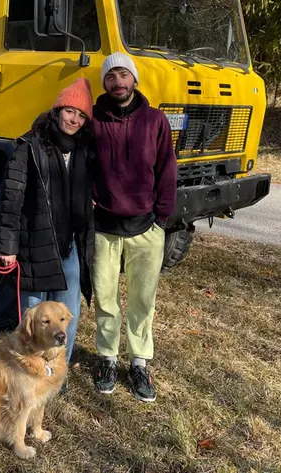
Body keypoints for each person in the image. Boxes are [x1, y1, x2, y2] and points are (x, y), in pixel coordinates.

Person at [0, 77, 96, 386]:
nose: (74, 120)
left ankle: (56, 376)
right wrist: (8, 246)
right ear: (56, 110)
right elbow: (11, 199)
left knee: (65, 315)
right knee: (33, 318)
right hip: (34, 244)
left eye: (81, 116)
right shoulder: (29, 146)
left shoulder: (83, 151)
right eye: (70, 111)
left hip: (69, 247)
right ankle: (29, 374)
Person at [90, 52, 178, 402]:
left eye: (123, 75)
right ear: (105, 83)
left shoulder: (155, 121)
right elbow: (78, 160)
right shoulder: (93, 120)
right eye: (111, 77)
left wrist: (161, 218)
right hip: (104, 228)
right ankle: (107, 358)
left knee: (143, 300)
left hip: (146, 229)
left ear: (135, 80)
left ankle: (139, 362)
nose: (117, 82)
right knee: (106, 299)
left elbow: (167, 170)